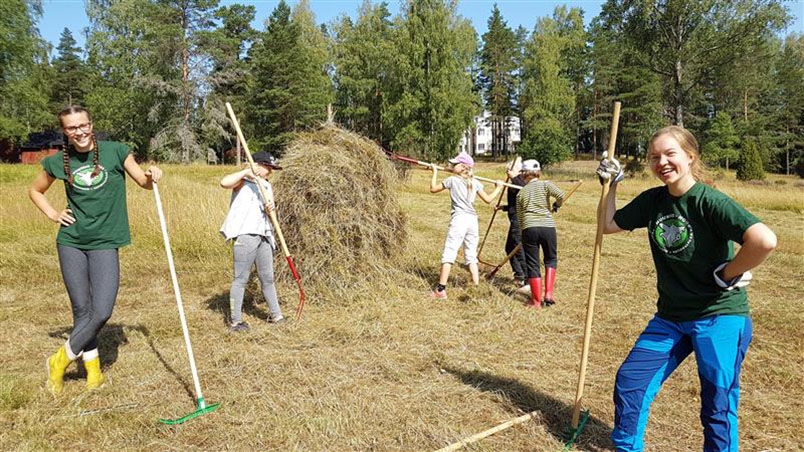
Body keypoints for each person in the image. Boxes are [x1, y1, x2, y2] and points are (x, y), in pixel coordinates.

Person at [597, 126, 777, 451]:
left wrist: (730, 272)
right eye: (654, 157)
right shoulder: (653, 201)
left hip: (719, 317)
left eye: (670, 154)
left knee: (716, 405)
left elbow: (764, 240)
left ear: (690, 157)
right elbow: (608, 225)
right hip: (671, 318)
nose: (662, 162)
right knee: (631, 382)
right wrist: (611, 186)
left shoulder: (710, 202)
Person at [29, 105, 162, 394]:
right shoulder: (57, 162)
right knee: (82, 311)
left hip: (105, 241)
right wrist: (53, 214)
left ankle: (59, 359)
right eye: (72, 128)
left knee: (101, 311)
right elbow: (35, 191)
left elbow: (142, 181)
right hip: (71, 241)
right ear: (64, 131)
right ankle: (93, 374)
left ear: (91, 124)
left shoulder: (116, 151)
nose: (79, 132)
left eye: (83, 125)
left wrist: (152, 176)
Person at [219, 151, 285, 331]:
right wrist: (246, 171)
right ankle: (235, 321)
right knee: (241, 278)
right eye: (268, 167)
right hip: (246, 235)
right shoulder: (243, 181)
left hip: (264, 235)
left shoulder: (266, 186)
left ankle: (276, 315)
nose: (270, 171)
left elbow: (272, 217)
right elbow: (224, 183)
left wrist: (270, 209)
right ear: (257, 164)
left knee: (268, 278)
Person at [430, 151, 503, 299]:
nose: (452, 166)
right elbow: (488, 199)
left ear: (463, 167)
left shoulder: (452, 180)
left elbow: (433, 189)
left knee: (449, 252)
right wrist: (498, 187)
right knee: (471, 254)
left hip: (459, 220)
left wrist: (435, 172)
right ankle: (476, 286)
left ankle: (440, 289)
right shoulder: (474, 182)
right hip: (472, 221)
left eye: (455, 164)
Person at [515, 159, 565, 308]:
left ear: (524, 174)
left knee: (533, 264)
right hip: (548, 227)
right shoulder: (546, 185)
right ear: (537, 173)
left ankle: (536, 301)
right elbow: (561, 194)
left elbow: (520, 217)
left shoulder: (521, 193)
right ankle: (548, 294)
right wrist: (557, 205)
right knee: (551, 259)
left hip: (529, 228)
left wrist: (524, 235)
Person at [497, 161, 528, 289]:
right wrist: (503, 207)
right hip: (514, 218)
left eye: (510, 169)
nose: (508, 171)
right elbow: (515, 203)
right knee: (509, 247)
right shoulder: (515, 181)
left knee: (517, 247)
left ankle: (527, 279)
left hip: (521, 219)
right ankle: (519, 275)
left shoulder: (522, 181)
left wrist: (514, 177)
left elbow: (524, 191)